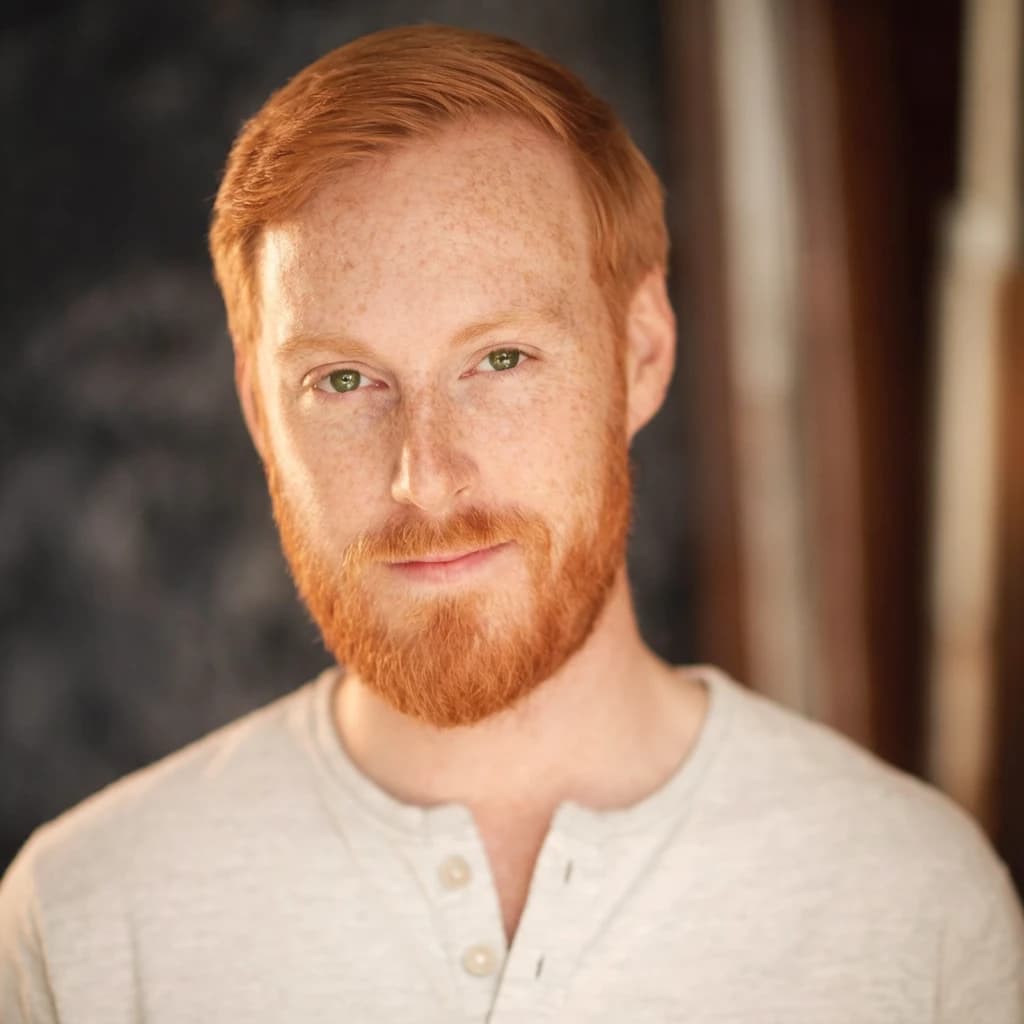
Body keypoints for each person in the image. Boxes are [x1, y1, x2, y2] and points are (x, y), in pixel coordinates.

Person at [1, 23, 1021, 1023]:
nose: (426, 480)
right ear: (261, 409)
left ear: (643, 354)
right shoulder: (87, 923)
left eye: (499, 360)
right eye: (344, 379)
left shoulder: (911, 907)